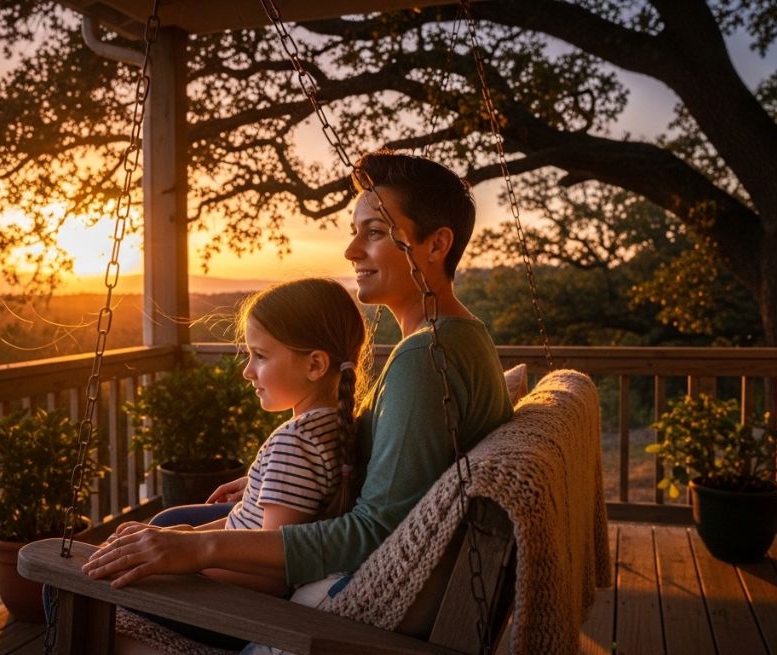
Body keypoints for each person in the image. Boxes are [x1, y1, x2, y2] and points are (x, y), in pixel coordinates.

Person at [83, 151, 512, 612]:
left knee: (106, 579)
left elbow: (374, 533)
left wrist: (196, 550)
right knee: (175, 521)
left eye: (375, 232)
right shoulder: (453, 340)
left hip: (356, 606)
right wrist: (266, 481)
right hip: (374, 555)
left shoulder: (428, 356)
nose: (351, 251)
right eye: (354, 232)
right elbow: (393, 455)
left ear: (436, 245)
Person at [142, 277, 370, 597]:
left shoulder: (294, 444)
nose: (247, 371)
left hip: (237, 602)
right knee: (168, 524)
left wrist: (185, 562)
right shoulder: (332, 428)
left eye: (260, 356)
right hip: (231, 562)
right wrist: (188, 535)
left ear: (316, 364)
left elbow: (272, 576)